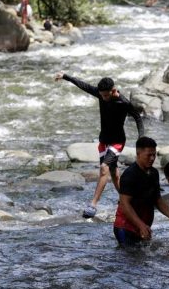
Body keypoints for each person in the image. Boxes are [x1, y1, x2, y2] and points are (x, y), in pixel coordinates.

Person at [54, 72, 145, 218]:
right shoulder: (100, 93)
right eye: (102, 95)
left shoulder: (123, 102)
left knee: (104, 169)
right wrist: (65, 76)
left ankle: (93, 204)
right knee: (114, 173)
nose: (103, 98)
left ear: (113, 91)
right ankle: (126, 199)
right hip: (103, 141)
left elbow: (138, 118)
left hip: (117, 142)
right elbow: (83, 85)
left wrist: (141, 138)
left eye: (106, 96)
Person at [114, 137, 169, 245]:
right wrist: (141, 225)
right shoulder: (130, 175)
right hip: (125, 228)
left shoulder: (154, 173)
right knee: (128, 260)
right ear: (138, 153)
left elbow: (158, 200)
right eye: (148, 155)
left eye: (154, 154)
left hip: (144, 226)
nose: (152, 158)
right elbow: (124, 204)